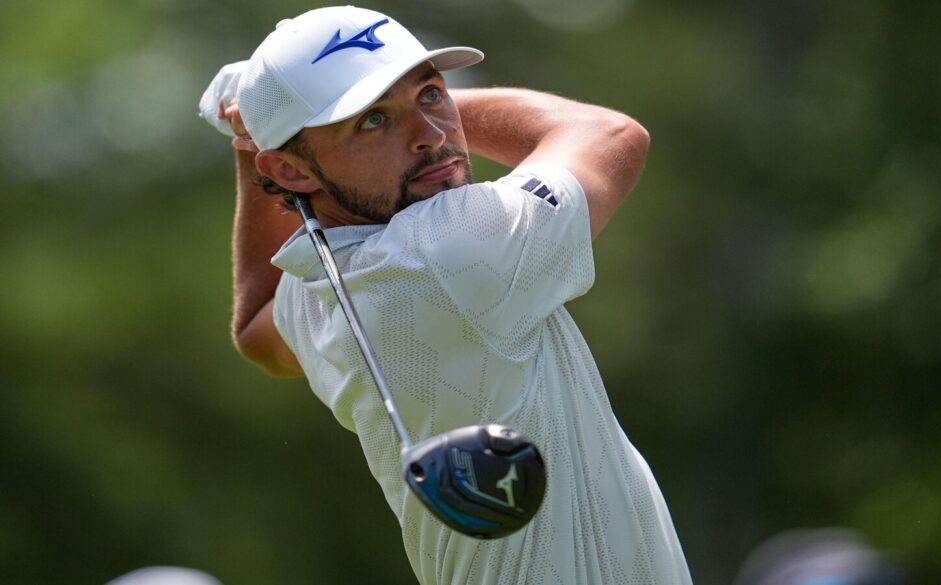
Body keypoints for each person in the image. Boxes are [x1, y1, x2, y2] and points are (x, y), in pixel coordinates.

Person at [199, 6, 692, 584]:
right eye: (373, 121)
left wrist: (255, 144)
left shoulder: (319, 283)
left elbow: (257, 325)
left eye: (432, 95)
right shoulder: (453, 245)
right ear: (291, 170)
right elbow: (611, 135)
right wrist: (266, 133)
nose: (432, 138)